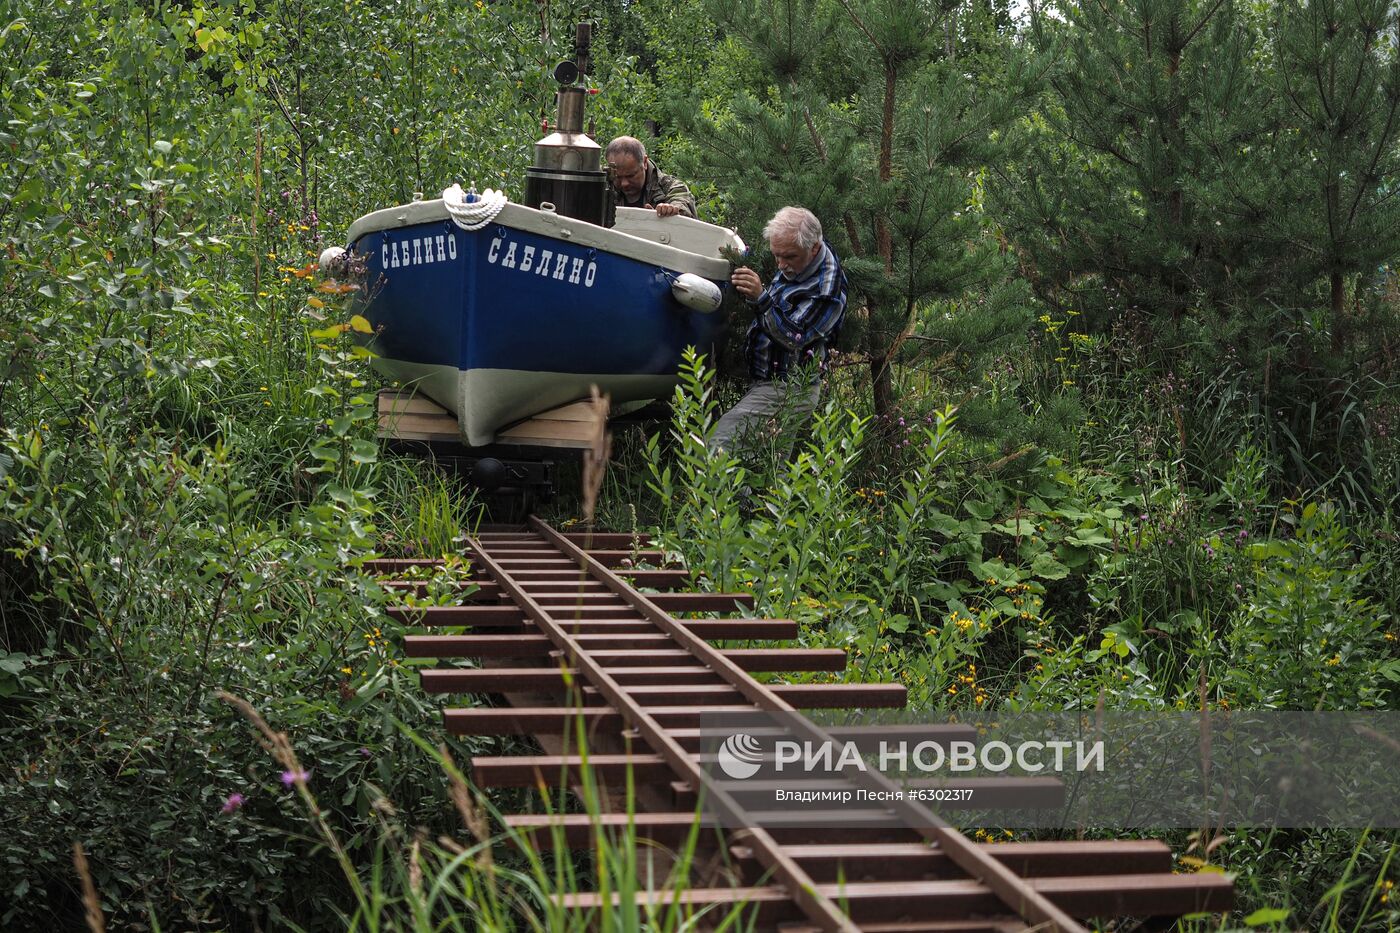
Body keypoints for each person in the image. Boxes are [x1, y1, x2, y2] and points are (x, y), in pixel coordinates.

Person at [711, 206, 848, 454]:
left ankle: (716, 495)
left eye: (789, 257)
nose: (781, 265)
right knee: (770, 467)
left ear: (814, 248)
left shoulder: (828, 290)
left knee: (720, 444)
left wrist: (760, 298)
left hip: (788, 387)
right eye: (777, 256)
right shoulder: (802, 253)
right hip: (771, 381)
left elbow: (795, 338)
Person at [605, 136, 697, 219]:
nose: (624, 183)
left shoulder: (670, 187)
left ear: (644, 162)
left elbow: (681, 202)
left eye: (631, 176)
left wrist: (669, 212)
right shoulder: (604, 189)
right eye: (618, 177)